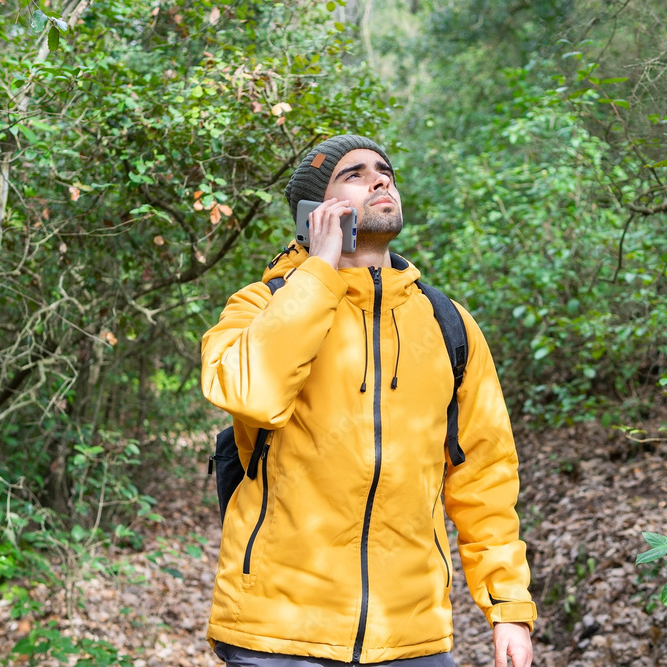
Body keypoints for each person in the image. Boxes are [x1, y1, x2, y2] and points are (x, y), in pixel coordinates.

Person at [201, 135, 536, 667]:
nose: (381, 179)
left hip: (412, 637)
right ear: (315, 211)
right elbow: (251, 395)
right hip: (277, 633)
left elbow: (484, 478)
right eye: (353, 174)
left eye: (385, 171)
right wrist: (320, 270)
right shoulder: (259, 305)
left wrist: (509, 608)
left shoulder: (450, 325)